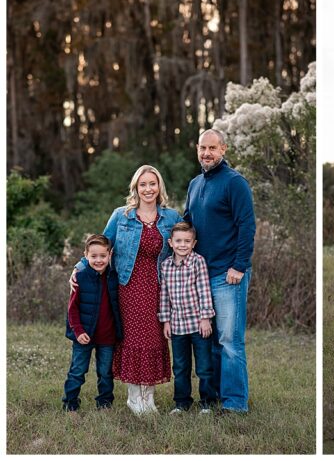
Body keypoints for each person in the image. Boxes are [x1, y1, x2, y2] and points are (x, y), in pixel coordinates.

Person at [72, 165, 180, 414]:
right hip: (128, 287)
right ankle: (134, 398)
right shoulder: (121, 215)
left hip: (159, 288)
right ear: (135, 188)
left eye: (152, 183)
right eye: (142, 184)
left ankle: (148, 398)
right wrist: (78, 268)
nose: (148, 189)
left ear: (159, 187)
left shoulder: (172, 217)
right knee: (133, 340)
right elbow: (102, 244)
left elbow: (185, 244)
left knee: (155, 340)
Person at [184, 128, 256, 413]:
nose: (207, 153)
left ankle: (235, 403)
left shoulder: (235, 183)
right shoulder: (195, 184)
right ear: (197, 150)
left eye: (213, 148)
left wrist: (239, 265)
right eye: (203, 148)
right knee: (209, 341)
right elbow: (186, 226)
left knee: (229, 341)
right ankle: (211, 397)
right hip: (200, 276)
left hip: (228, 275)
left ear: (224, 149)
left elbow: (246, 226)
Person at [159, 222, 217, 413]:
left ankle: (207, 402)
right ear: (170, 242)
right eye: (178, 241)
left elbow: (204, 290)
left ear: (194, 243)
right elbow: (164, 295)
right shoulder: (166, 265)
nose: (182, 245)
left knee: (204, 367)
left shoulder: (197, 261)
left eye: (187, 241)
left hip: (198, 325)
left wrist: (205, 318)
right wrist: (166, 321)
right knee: (180, 367)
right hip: (177, 325)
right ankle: (182, 403)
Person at [62, 234, 123, 413]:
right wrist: (78, 331)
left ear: (109, 255)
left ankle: (104, 403)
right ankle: (70, 403)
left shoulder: (114, 277)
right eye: (93, 256)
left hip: (107, 337)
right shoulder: (79, 278)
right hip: (83, 335)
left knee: (105, 372)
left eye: (102, 256)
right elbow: (72, 310)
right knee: (77, 371)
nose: (98, 260)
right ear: (85, 255)